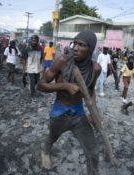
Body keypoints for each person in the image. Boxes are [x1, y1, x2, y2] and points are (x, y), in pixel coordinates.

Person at [37, 30, 101, 175]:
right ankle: (45, 151)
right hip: (60, 111)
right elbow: (40, 85)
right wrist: (64, 86)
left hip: (79, 113)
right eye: (75, 43)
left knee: (93, 151)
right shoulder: (62, 61)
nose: (75, 48)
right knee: (52, 136)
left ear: (90, 49)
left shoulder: (95, 68)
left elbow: (91, 92)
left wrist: (94, 113)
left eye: (82, 45)